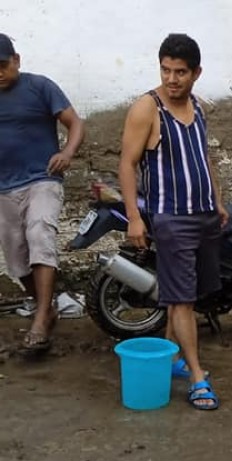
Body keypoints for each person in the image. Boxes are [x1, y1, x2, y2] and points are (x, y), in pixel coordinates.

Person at [118, 33, 228, 410]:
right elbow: (127, 165)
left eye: (180, 72)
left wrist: (217, 199)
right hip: (171, 218)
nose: (172, 79)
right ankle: (197, 376)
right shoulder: (147, 109)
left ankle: (175, 359)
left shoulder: (198, 106)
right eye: (166, 70)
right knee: (181, 298)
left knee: (190, 294)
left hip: (204, 214)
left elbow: (203, 156)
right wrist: (135, 217)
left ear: (196, 73)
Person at [0, 33, 85, 353]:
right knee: (16, 260)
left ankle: (39, 321)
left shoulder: (39, 87)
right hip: (3, 187)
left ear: (16, 60)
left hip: (42, 180)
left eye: (3, 65)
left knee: (39, 233)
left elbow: (75, 123)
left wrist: (68, 152)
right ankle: (46, 307)